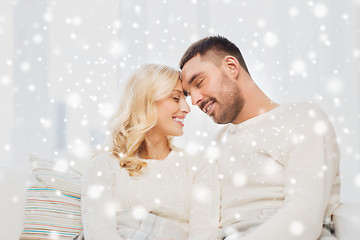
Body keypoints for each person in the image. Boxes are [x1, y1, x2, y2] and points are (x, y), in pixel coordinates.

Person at [179, 36, 341, 240]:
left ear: (231, 66)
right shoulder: (217, 145)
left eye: (199, 82)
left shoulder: (301, 118)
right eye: (188, 93)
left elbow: (304, 218)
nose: (195, 100)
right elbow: (205, 222)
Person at [79, 64, 219, 240]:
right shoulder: (105, 165)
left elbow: (204, 233)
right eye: (176, 98)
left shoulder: (198, 164)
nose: (187, 108)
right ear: (146, 101)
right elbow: (99, 232)